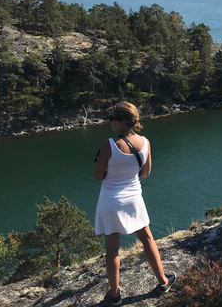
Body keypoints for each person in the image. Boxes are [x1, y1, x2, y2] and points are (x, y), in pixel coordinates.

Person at [94, 102, 175, 305]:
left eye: (112, 118)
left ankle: (114, 296)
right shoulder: (145, 142)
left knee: (112, 250)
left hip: (110, 200)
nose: (109, 122)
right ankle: (163, 281)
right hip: (134, 198)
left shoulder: (109, 145)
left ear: (122, 122)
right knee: (147, 239)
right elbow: (145, 173)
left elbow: (98, 176)